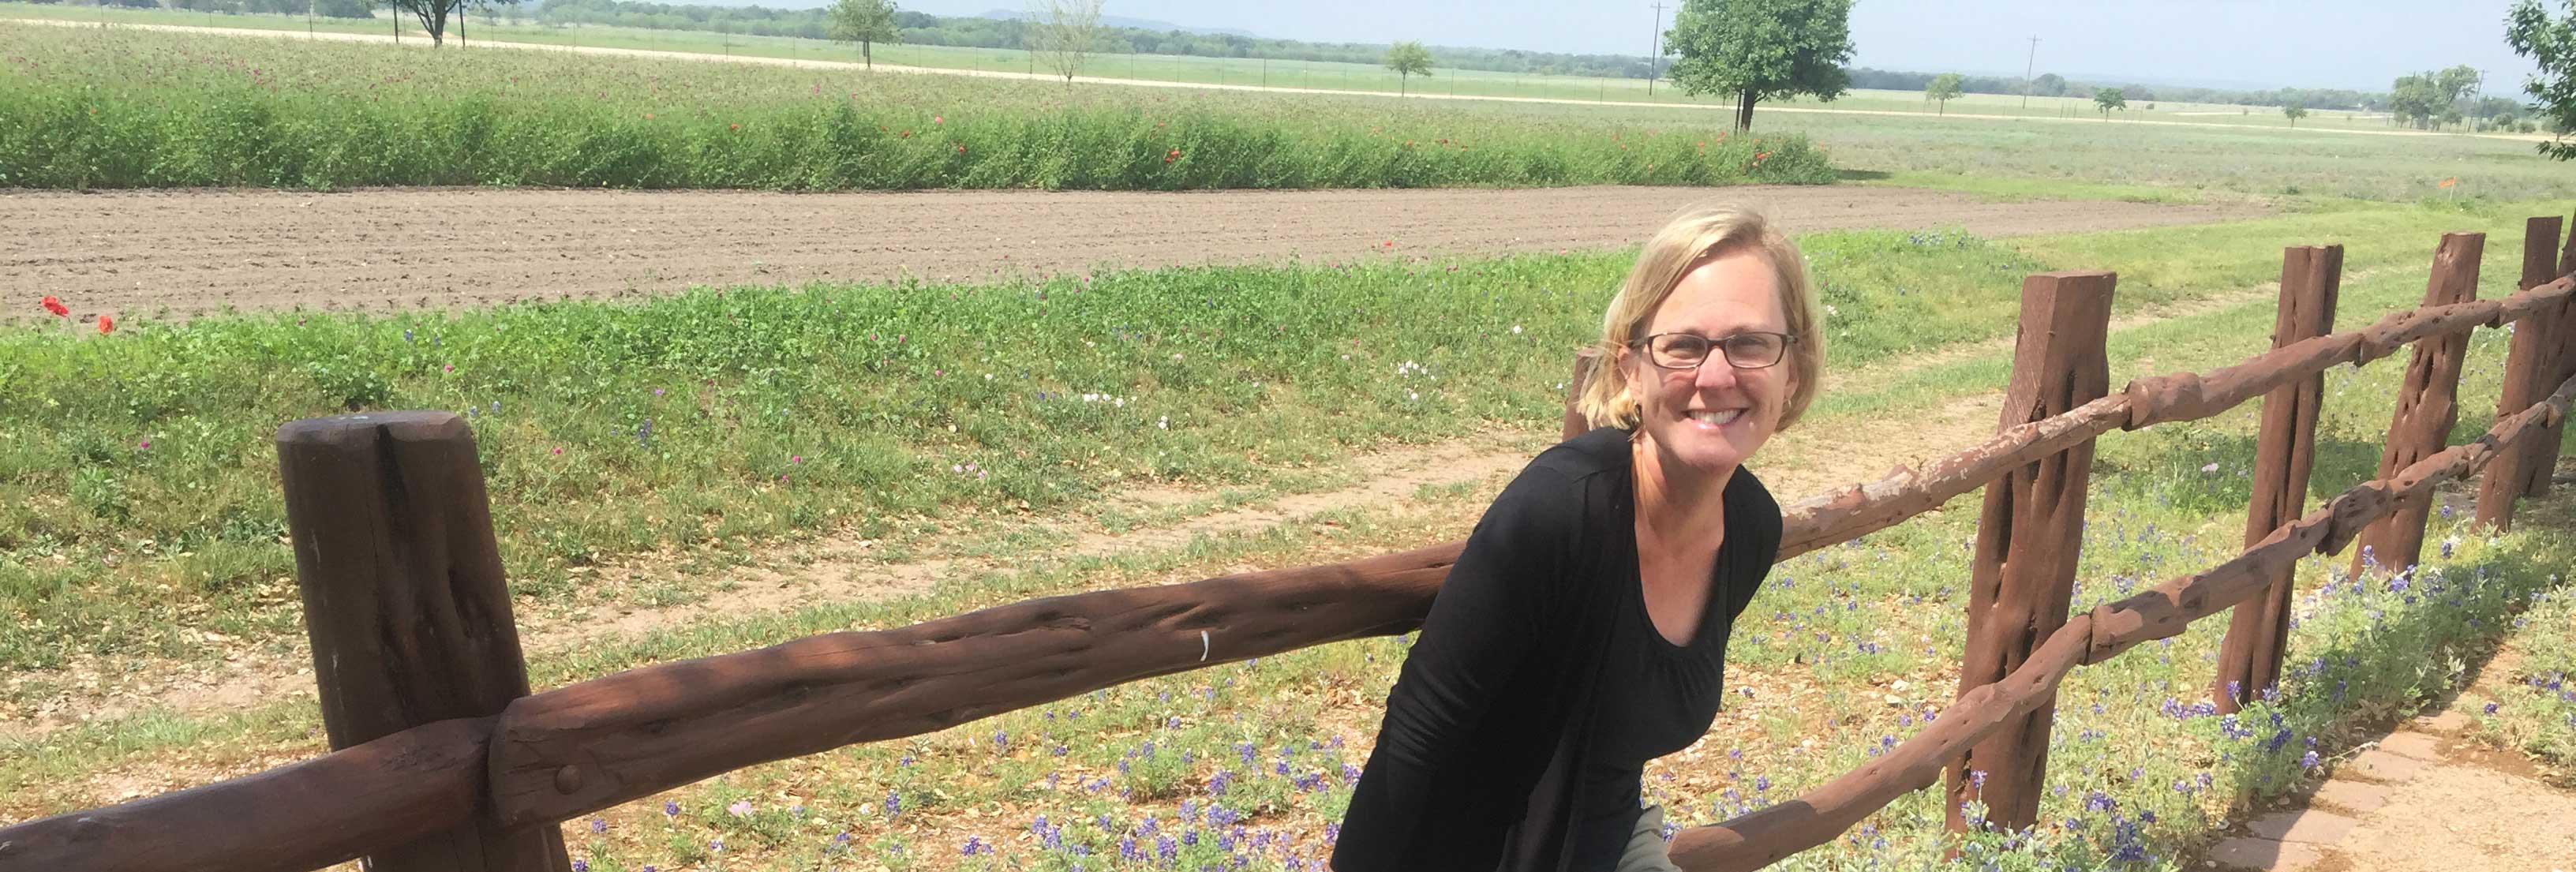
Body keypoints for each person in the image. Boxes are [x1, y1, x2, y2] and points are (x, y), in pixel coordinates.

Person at [1331, 205, 1825, 872]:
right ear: (1631, 368)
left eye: (1750, 343)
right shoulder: (1560, 511)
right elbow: (1417, 738)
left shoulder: (1751, 528)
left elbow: (1607, 732)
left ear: (1792, 369)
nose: (1716, 376)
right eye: (1683, 345)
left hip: (1607, 841)